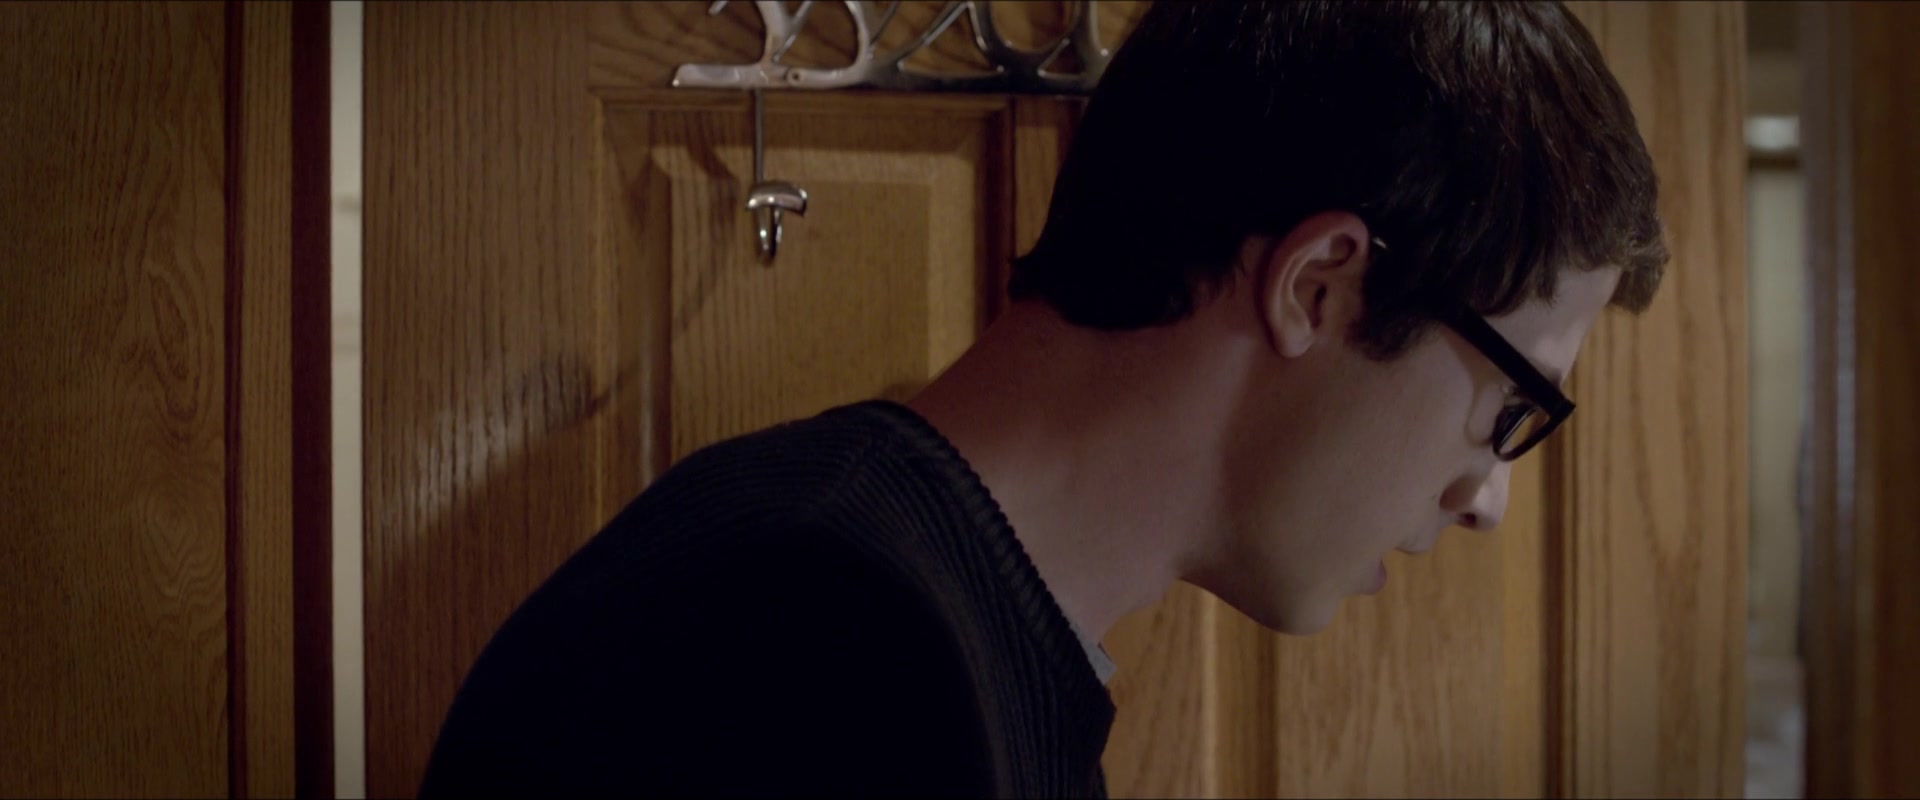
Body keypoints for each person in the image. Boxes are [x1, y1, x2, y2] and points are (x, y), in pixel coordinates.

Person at [418, 0, 1667, 796]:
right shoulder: (825, 638)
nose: (1487, 497)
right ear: (1322, 286)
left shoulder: (925, 610)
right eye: (1512, 404)